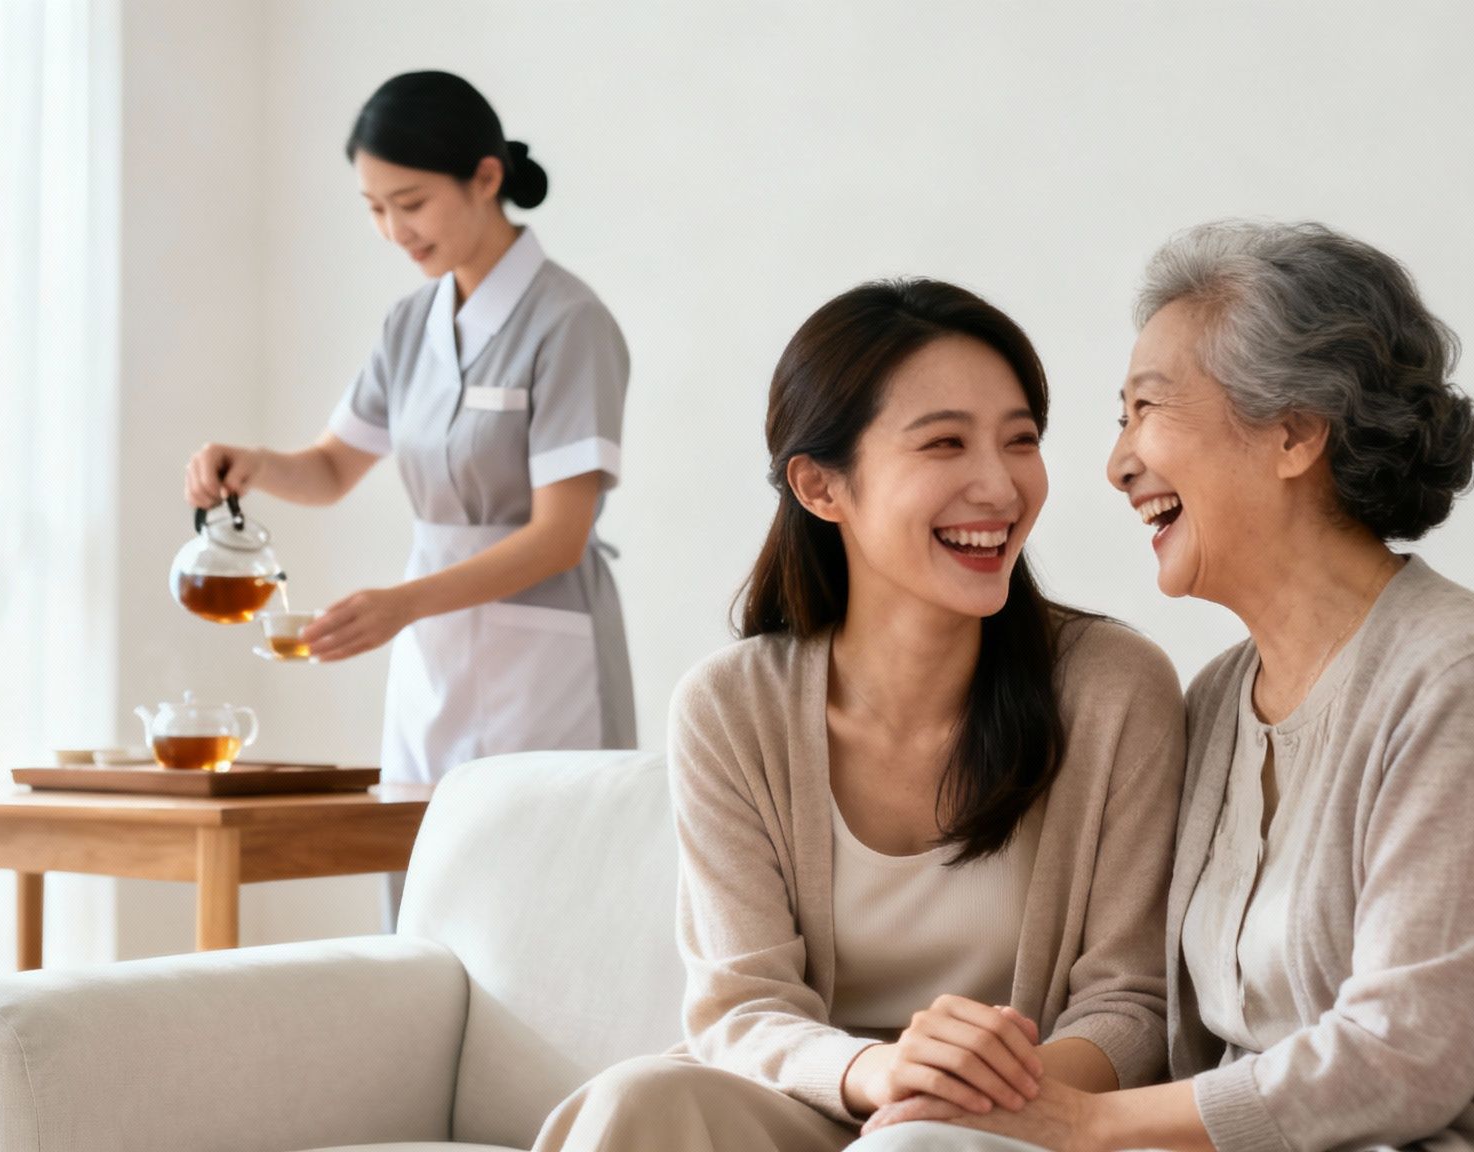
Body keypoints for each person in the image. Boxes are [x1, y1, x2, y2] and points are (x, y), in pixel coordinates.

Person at [860, 221, 1474, 1151]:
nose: (1118, 462)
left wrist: (1083, 1122)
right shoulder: (1217, 702)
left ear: (1292, 432)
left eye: (1147, 409)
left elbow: (1402, 1058)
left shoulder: (1468, 676)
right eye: (1120, 418)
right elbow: (1194, 1049)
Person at [534, 279, 1185, 1151]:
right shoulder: (732, 708)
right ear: (820, 486)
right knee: (637, 1101)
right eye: (945, 443)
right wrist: (876, 1075)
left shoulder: (1113, 687)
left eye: (1020, 439)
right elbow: (743, 1003)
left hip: (1018, 1122)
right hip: (820, 1102)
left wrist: (972, 1098)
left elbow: (1131, 1001)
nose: (999, 485)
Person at [184, 72, 635, 808]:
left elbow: (560, 536)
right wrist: (256, 465)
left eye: (412, 203)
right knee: (421, 880)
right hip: (433, 654)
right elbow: (331, 469)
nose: (396, 231)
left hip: (542, 661)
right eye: (375, 209)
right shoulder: (410, 324)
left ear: (486, 178)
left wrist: (402, 605)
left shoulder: (568, 322)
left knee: (545, 880)